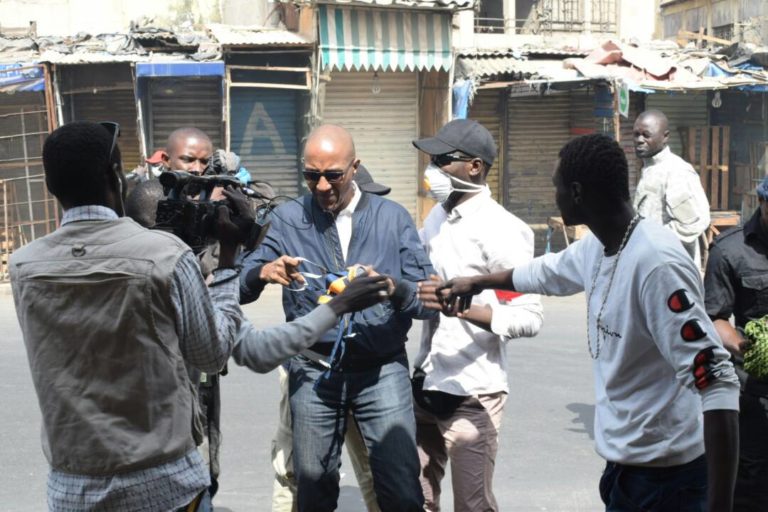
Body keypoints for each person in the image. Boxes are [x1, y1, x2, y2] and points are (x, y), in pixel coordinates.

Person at [437, 133, 740, 512]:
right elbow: (546, 271)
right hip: (625, 472)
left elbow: (718, 383)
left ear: (577, 192)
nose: (555, 197)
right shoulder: (600, 244)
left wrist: (720, 506)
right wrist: (478, 281)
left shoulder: (656, 265)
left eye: (557, 187)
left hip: (669, 483)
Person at [9, 121, 245, 511]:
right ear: (115, 176)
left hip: (74, 491)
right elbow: (211, 355)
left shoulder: (24, 267)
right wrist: (230, 264)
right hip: (165, 486)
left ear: (51, 187)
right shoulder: (166, 256)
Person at [240, 124, 434, 512]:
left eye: (333, 175)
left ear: (355, 167)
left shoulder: (392, 218)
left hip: (381, 372)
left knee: (401, 491)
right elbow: (242, 285)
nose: (323, 186)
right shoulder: (286, 218)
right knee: (314, 491)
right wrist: (262, 272)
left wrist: (393, 288)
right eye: (312, 176)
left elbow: (427, 301)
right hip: (313, 374)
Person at [411, 119, 543, 511]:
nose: (431, 169)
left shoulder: (504, 230)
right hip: (426, 381)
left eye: (442, 160)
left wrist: (463, 308)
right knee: (416, 497)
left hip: (473, 393)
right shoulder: (436, 218)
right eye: (431, 159)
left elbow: (528, 317)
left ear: (473, 167)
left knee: (472, 504)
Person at [270, 163, 391, 512]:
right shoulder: (307, 240)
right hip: (311, 371)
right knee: (297, 473)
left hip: (368, 373)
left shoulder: (380, 237)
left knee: (376, 470)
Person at [704, 175, 768, 511]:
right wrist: (743, 345)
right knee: (753, 486)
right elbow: (714, 317)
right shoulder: (729, 250)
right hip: (755, 391)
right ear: (761, 201)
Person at [633, 109, 711, 268]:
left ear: (665, 137)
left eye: (646, 135)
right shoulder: (650, 168)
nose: (639, 140)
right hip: (651, 266)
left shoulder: (676, 172)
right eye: (636, 134)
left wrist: (651, 239)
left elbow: (693, 223)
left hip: (672, 270)